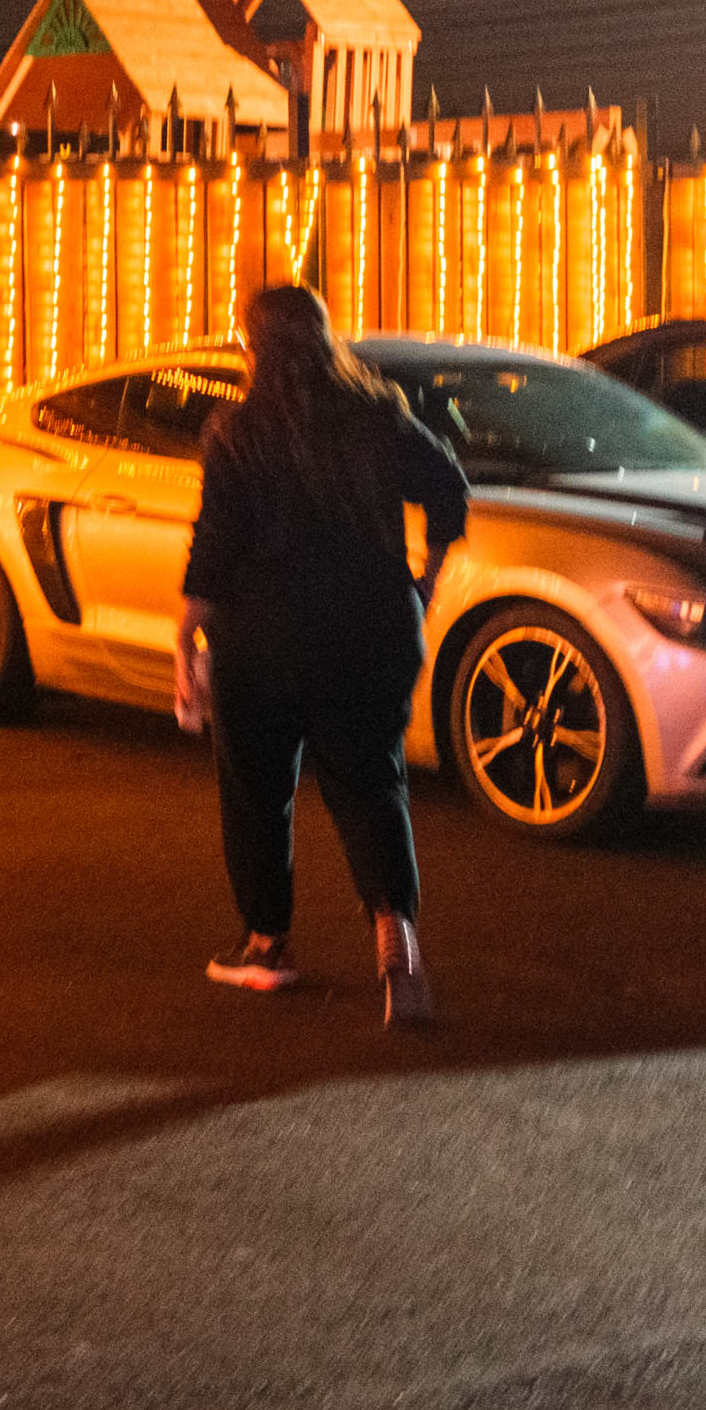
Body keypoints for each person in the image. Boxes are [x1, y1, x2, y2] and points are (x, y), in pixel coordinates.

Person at [177, 281, 469, 1026]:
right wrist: (422, 582)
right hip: (371, 627)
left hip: (266, 636)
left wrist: (187, 638)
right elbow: (448, 491)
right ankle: (395, 935)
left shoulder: (238, 433)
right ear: (326, 338)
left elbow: (214, 547)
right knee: (372, 783)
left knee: (257, 793)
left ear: (253, 349)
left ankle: (267, 946)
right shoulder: (377, 417)